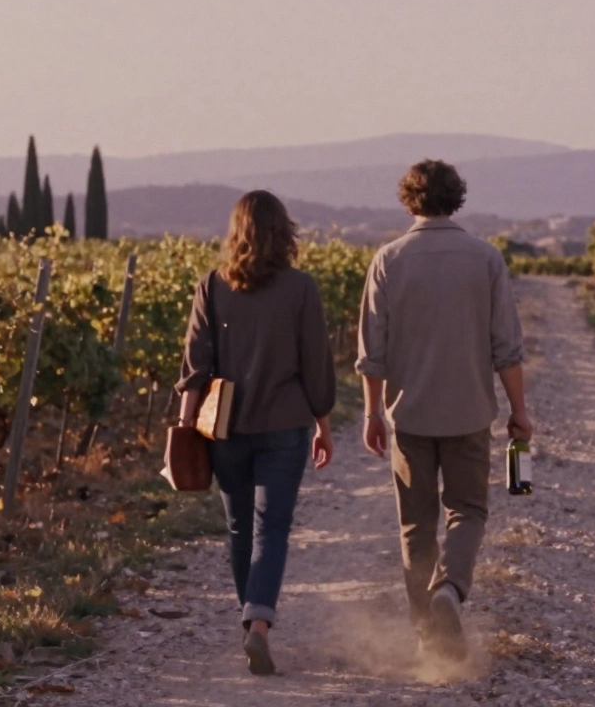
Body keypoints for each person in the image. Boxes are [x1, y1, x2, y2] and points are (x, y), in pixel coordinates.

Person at [355, 159, 533, 659]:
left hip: (409, 416)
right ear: (456, 198)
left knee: (416, 523)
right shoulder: (485, 259)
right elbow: (507, 348)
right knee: (468, 510)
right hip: (470, 412)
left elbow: (372, 352)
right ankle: (449, 591)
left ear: (409, 200)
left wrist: (371, 413)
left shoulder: (388, 260)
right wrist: (519, 410)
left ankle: (424, 634)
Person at [176, 190, 336, 676]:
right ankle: (260, 622)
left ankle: (251, 624)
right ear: (282, 232)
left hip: (226, 427)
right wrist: (323, 425)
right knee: (273, 528)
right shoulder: (301, 288)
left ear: (236, 233)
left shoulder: (212, 285)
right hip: (285, 425)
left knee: (239, 527)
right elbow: (316, 367)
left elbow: (194, 368)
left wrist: (184, 430)